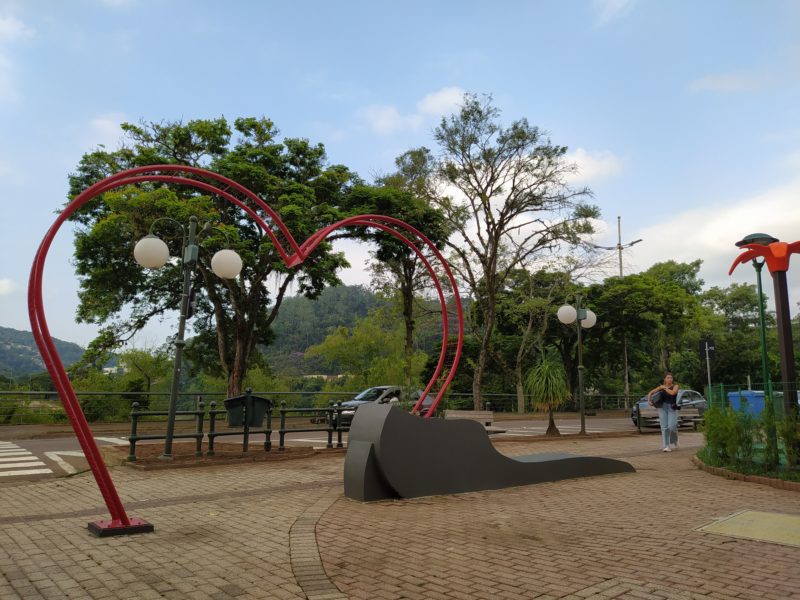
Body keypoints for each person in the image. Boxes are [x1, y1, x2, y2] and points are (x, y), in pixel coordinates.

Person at [647, 372, 680, 452]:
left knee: (672, 426)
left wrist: (664, 388)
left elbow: (673, 393)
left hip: (672, 407)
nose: (669, 379)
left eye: (671, 378)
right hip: (662, 407)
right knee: (664, 427)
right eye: (668, 378)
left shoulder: (675, 386)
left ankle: (674, 439)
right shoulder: (660, 387)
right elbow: (650, 393)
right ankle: (666, 446)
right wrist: (649, 400)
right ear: (664, 379)